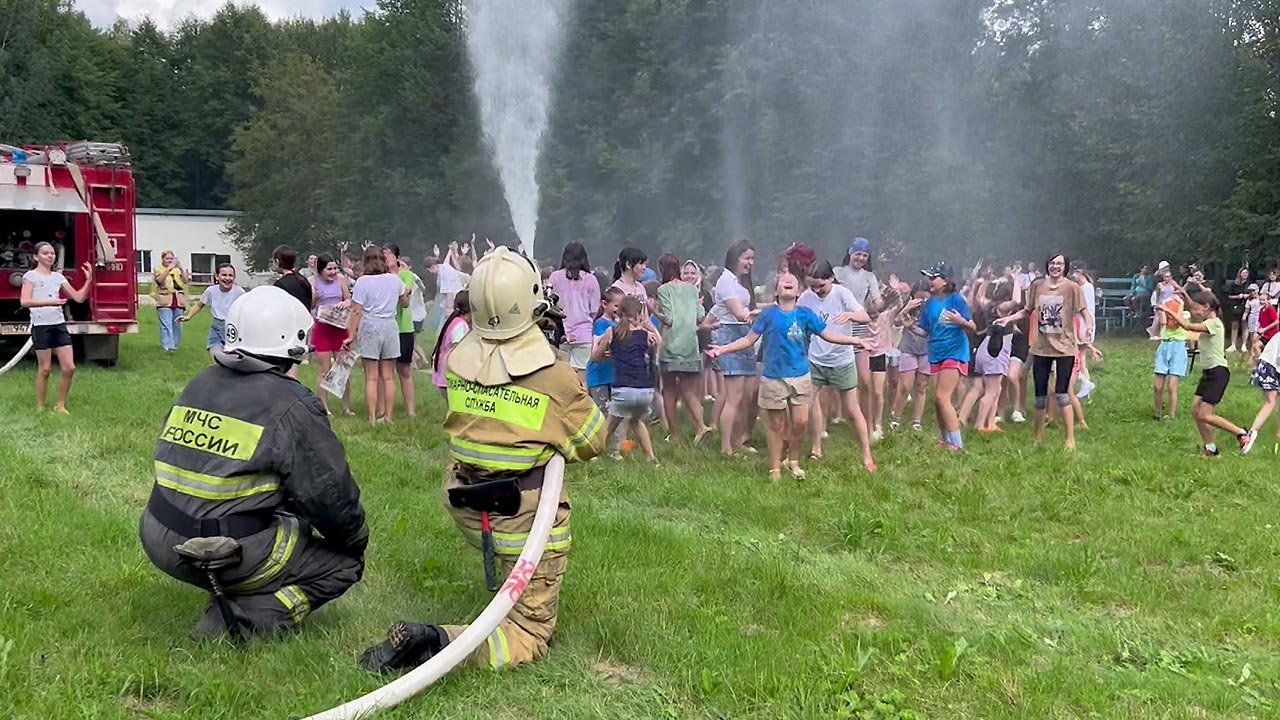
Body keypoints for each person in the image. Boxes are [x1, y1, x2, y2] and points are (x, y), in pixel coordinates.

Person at [360, 246, 605, 674]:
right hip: (523, 516)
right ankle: (439, 644)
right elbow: (591, 442)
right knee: (528, 632)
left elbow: (499, 393)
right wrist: (556, 361)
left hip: (467, 503)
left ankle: (503, 596)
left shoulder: (458, 361)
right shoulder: (554, 376)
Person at [139, 285, 368, 639]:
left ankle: (234, 588)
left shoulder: (201, 381)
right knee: (341, 566)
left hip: (158, 535)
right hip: (218, 551)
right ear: (294, 344)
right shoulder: (291, 404)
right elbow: (330, 498)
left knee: (279, 509)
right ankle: (243, 620)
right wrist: (353, 539)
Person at [708, 272, 869, 481]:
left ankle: (792, 460)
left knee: (801, 422)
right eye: (783, 281)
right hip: (773, 377)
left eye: (792, 281)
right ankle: (774, 468)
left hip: (801, 377)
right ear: (776, 290)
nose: (788, 281)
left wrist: (856, 341)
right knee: (776, 425)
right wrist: (722, 349)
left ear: (799, 291)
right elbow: (748, 340)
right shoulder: (768, 315)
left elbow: (829, 334)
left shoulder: (805, 314)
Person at [996, 253, 1100, 451]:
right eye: (1052, 263)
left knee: (1062, 394)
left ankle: (1070, 439)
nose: (1056, 266)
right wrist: (1008, 320)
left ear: (1065, 266)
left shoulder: (1072, 288)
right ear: (1047, 265)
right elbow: (1027, 311)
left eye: (1060, 263)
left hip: (1065, 348)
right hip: (1041, 348)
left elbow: (1084, 312)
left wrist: (1088, 328)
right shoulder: (1037, 286)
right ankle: (1037, 438)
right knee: (1040, 397)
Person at [799, 260, 876, 471]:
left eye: (820, 286)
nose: (816, 290)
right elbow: (793, 315)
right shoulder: (807, 298)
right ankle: (815, 448)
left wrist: (850, 315)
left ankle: (866, 455)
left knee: (852, 409)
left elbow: (865, 317)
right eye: (812, 286)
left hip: (842, 359)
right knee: (808, 404)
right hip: (815, 359)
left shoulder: (842, 294)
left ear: (831, 278)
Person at [1159, 292, 1253, 455]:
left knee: (1205, 414)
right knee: (1195, 411)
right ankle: (1210, 448)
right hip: (1209, 373)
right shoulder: (1208, 321)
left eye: (1198, 308)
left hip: (1218, 373)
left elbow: (1188, 326)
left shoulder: (1214, 324)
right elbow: (1194, 310)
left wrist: (1168, 311)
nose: (1195, 312)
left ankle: (1242, 434)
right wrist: (1184, 295)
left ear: (1207, 307)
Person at [905, 263, 974, 450]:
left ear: (945, 281)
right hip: (936, 353)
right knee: (936, 400)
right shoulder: (930, 304)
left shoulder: (956, 300)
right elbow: (925, 331)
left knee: (943, 397)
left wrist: (960, 321)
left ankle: (957, 444)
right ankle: (945, 439)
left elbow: (972, 326)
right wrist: (910, 326)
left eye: (933, 278)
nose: (929, 281)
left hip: (955, 351)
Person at [20, 242, 92, 413]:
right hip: (40, 326)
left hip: (58, 325)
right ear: (36, 257)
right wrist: (50, 302)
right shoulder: (30, 276)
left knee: (69, 367)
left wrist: (88, 280)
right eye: (46, 253)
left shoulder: (58, 278)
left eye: (52, 253)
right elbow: (24, 301)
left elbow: (78, 298)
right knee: (45, 369)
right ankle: (39, 407)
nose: (50, 256)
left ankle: (60, 405)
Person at [344, 247, 409, 424]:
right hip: (389, 326)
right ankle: (388, 416)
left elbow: (356, 311)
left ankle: (372, 417)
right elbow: (405, 303)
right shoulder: (394, 280)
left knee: (371, 377)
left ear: (366, 261)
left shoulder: (362, 282)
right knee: (388, 377)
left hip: (370, 326)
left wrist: (350, 336)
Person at [595, 296, 662, 464]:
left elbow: (595, 357)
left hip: (623, 390)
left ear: (618, 312)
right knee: (636, 421)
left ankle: (593, 454)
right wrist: (646, 325)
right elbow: (659, 342)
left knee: (608, 427)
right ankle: (651, 458)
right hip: (645, 391)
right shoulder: (646, 335)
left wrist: (606, 353)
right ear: (639, 315)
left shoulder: (612, 332)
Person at [655, 255, 714, 443]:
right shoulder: (691, 289)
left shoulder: (663, 289)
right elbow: (700, 317)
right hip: (690, 346)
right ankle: (701, 427)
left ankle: (674, 434)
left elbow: (669, 319)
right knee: (688, 390)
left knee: (669, 391)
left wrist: (653, 310)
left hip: (671, 346)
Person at [710, 240, 759, 456]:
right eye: (747, 258)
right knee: (733, 396)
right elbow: (740, 314)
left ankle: (739, 441)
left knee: (747, 396)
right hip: (730, 335)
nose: (750, 263)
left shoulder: (741, 282)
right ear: (735, 257)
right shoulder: (725, 281)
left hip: (746, 338)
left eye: (752, 259)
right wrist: (770, 312)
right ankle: (726, 447)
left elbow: (751, 309)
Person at [833, 238, 885, 429]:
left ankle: (869, 423)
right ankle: (832, 419)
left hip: (860, 328)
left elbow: (877, 301)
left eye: (864, 255)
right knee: (831, 380)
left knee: (864, 380)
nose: (861, 258)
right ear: (850, 252)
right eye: (858, 254)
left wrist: (880, 304)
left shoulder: (869, 276)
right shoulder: (837, 272)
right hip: (838, 327)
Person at [547, 242, 601, 382]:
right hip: (584, 334)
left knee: (561, 378)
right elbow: (594, 311)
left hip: (561, 334)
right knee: (582, 380)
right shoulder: (591, 280)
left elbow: (550, 305)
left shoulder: (554, 277)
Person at [309, 254, 354, 416]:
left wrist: (345, 302)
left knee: (343, 367)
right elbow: (310, 306)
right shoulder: (312, 281)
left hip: (340, 327)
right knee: (325, 369)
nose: (333, 272)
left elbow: (349, 299)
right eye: (329, 269)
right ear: (320, 270)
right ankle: (324, 407)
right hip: (322, 328)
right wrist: (314, 298)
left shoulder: (341, 279)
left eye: (335, 268)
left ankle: (346, 407)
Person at [178, 263, 245, 364]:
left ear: (234, 277)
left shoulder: (239, 292)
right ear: (217, 276)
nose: (227, 278)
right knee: (216, 362)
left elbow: (248, 308)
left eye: (230, 275)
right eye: (224, 275)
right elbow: (199, 305)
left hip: (233, 329)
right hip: (216, 328)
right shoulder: (211, 291)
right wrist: (189, 316)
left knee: (232, 363)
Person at [384, 244, 419, 419]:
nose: (385, 258)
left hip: (404, 327)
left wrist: (394, 277)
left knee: (404, 370)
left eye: (388, 255)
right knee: (386, 371)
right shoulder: (380, 277)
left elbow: (405, 296)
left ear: (396, 257)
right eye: (383, 255)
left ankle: (411, 411)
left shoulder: (406, 275)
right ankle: (384, 410)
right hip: (386, 327)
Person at [1152, 292, 1190, 421]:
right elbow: (1164, 323)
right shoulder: (1166, 307)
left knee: (1171, 386)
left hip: (1178, 346)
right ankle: (1157, 412)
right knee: (1157, 385)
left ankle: (1171, 415)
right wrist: (1162, 310)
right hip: (1164, 345)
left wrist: (1177, 305)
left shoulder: (1184, 314)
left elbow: (1176, 324)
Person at [431, 291, 471, 399]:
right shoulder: (461, 325)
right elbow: (455, 353)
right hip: (451, 380)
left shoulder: (452, 321)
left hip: (444, 377)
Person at [152, 249, 188, 353]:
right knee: (166, 324)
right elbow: (159, 281)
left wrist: (181, 268)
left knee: (177, 324)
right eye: (167, 258)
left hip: (178, 300)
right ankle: (167, 346)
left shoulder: (177, 270)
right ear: (162, 259)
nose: (169, 260)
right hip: (164, 300)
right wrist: (168, 269)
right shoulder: (158, 269)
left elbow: (185, 281)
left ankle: (175, 346)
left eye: (171, 259)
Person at [1226, 267, 1251, 352]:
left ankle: (1244, 344)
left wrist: (1247, 296)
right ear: (1240, 273)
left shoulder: (1249, 284)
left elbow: (1254, 294)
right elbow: (1229, 295)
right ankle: (1233, 344)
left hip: (1246, 305)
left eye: (1246, 273)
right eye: (1243, 273)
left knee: (1245, 325)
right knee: (1235, 325)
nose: (1245, 275)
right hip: (1235, 305)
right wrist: (1238, 296)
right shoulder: (1234, 284)